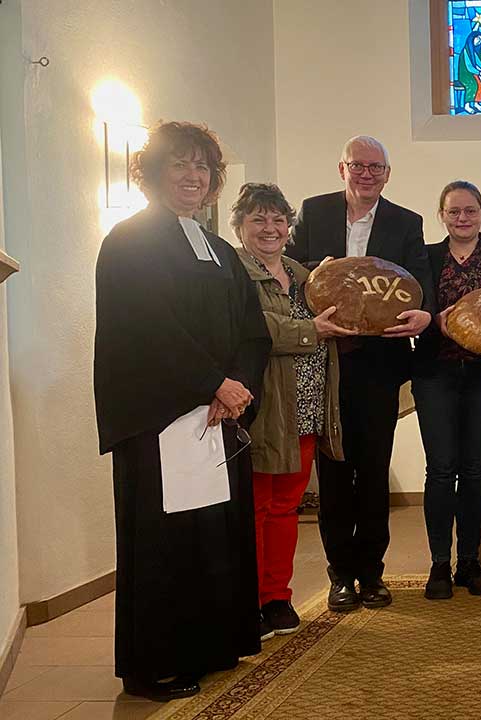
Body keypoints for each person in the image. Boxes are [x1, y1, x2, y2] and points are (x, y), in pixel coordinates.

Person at [94, 121, 269, 701]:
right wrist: (212, 383)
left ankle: (213, 643)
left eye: (204, 167)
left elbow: (252, 328)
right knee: (165, 541)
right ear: (152, 171)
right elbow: (146, 329)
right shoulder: (129, 240)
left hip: (219, 414)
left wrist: (238, 386)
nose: (194, 176)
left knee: (212, 532)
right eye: (181, 164)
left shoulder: (218, 248)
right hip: (161, 415)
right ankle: (157, 663)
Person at [286, 135, 434, 613]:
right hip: (326, 362)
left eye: (376, 167)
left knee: (371, 472)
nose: (367, 173)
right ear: (342, 168)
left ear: (387, 174)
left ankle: (371, 573)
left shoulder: (405, 221)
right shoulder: (313, 211)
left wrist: (423, 314)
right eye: (358, 165)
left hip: (378, 365)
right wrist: (320, 274)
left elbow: (419, 287)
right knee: (332, 472)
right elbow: (289, 273)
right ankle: (339, 575)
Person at [231, 183, 354, 641]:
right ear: (240, 225)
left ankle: (277, 596)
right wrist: (311, 330)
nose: (269, 228)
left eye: (277, 219)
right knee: (257, 507)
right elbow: (252, 328)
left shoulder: (303, 274)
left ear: (289, 226)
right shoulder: (233, 273)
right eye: (258, 219)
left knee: (286, 507)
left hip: (307, 406)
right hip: (265, 407)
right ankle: (251, 601)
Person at [416, 181, 481, 600]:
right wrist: (432, 318)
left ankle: (470, 562)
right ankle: (439, 562)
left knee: (476, 470)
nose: (463, 218)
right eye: (454, 211)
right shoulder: (424, 256)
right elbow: (413, 307)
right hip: (435, 373)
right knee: (441, 470)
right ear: (442, 215)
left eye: (470, 211)